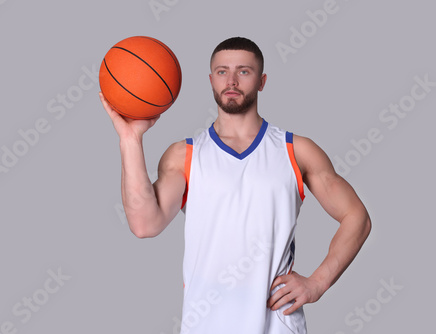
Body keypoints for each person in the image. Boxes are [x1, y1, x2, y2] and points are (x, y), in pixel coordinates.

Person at [100, 37, 371, 334]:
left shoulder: (296, 150)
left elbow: (357, 216)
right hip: (205, 325)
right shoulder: (185, 155)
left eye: (243, 71)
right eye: (221, 72)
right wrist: (130, 140)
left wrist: (318, 282)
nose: (231, 80)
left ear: (262, 81)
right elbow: (144, 225)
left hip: (277, 326)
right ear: (211, 80)